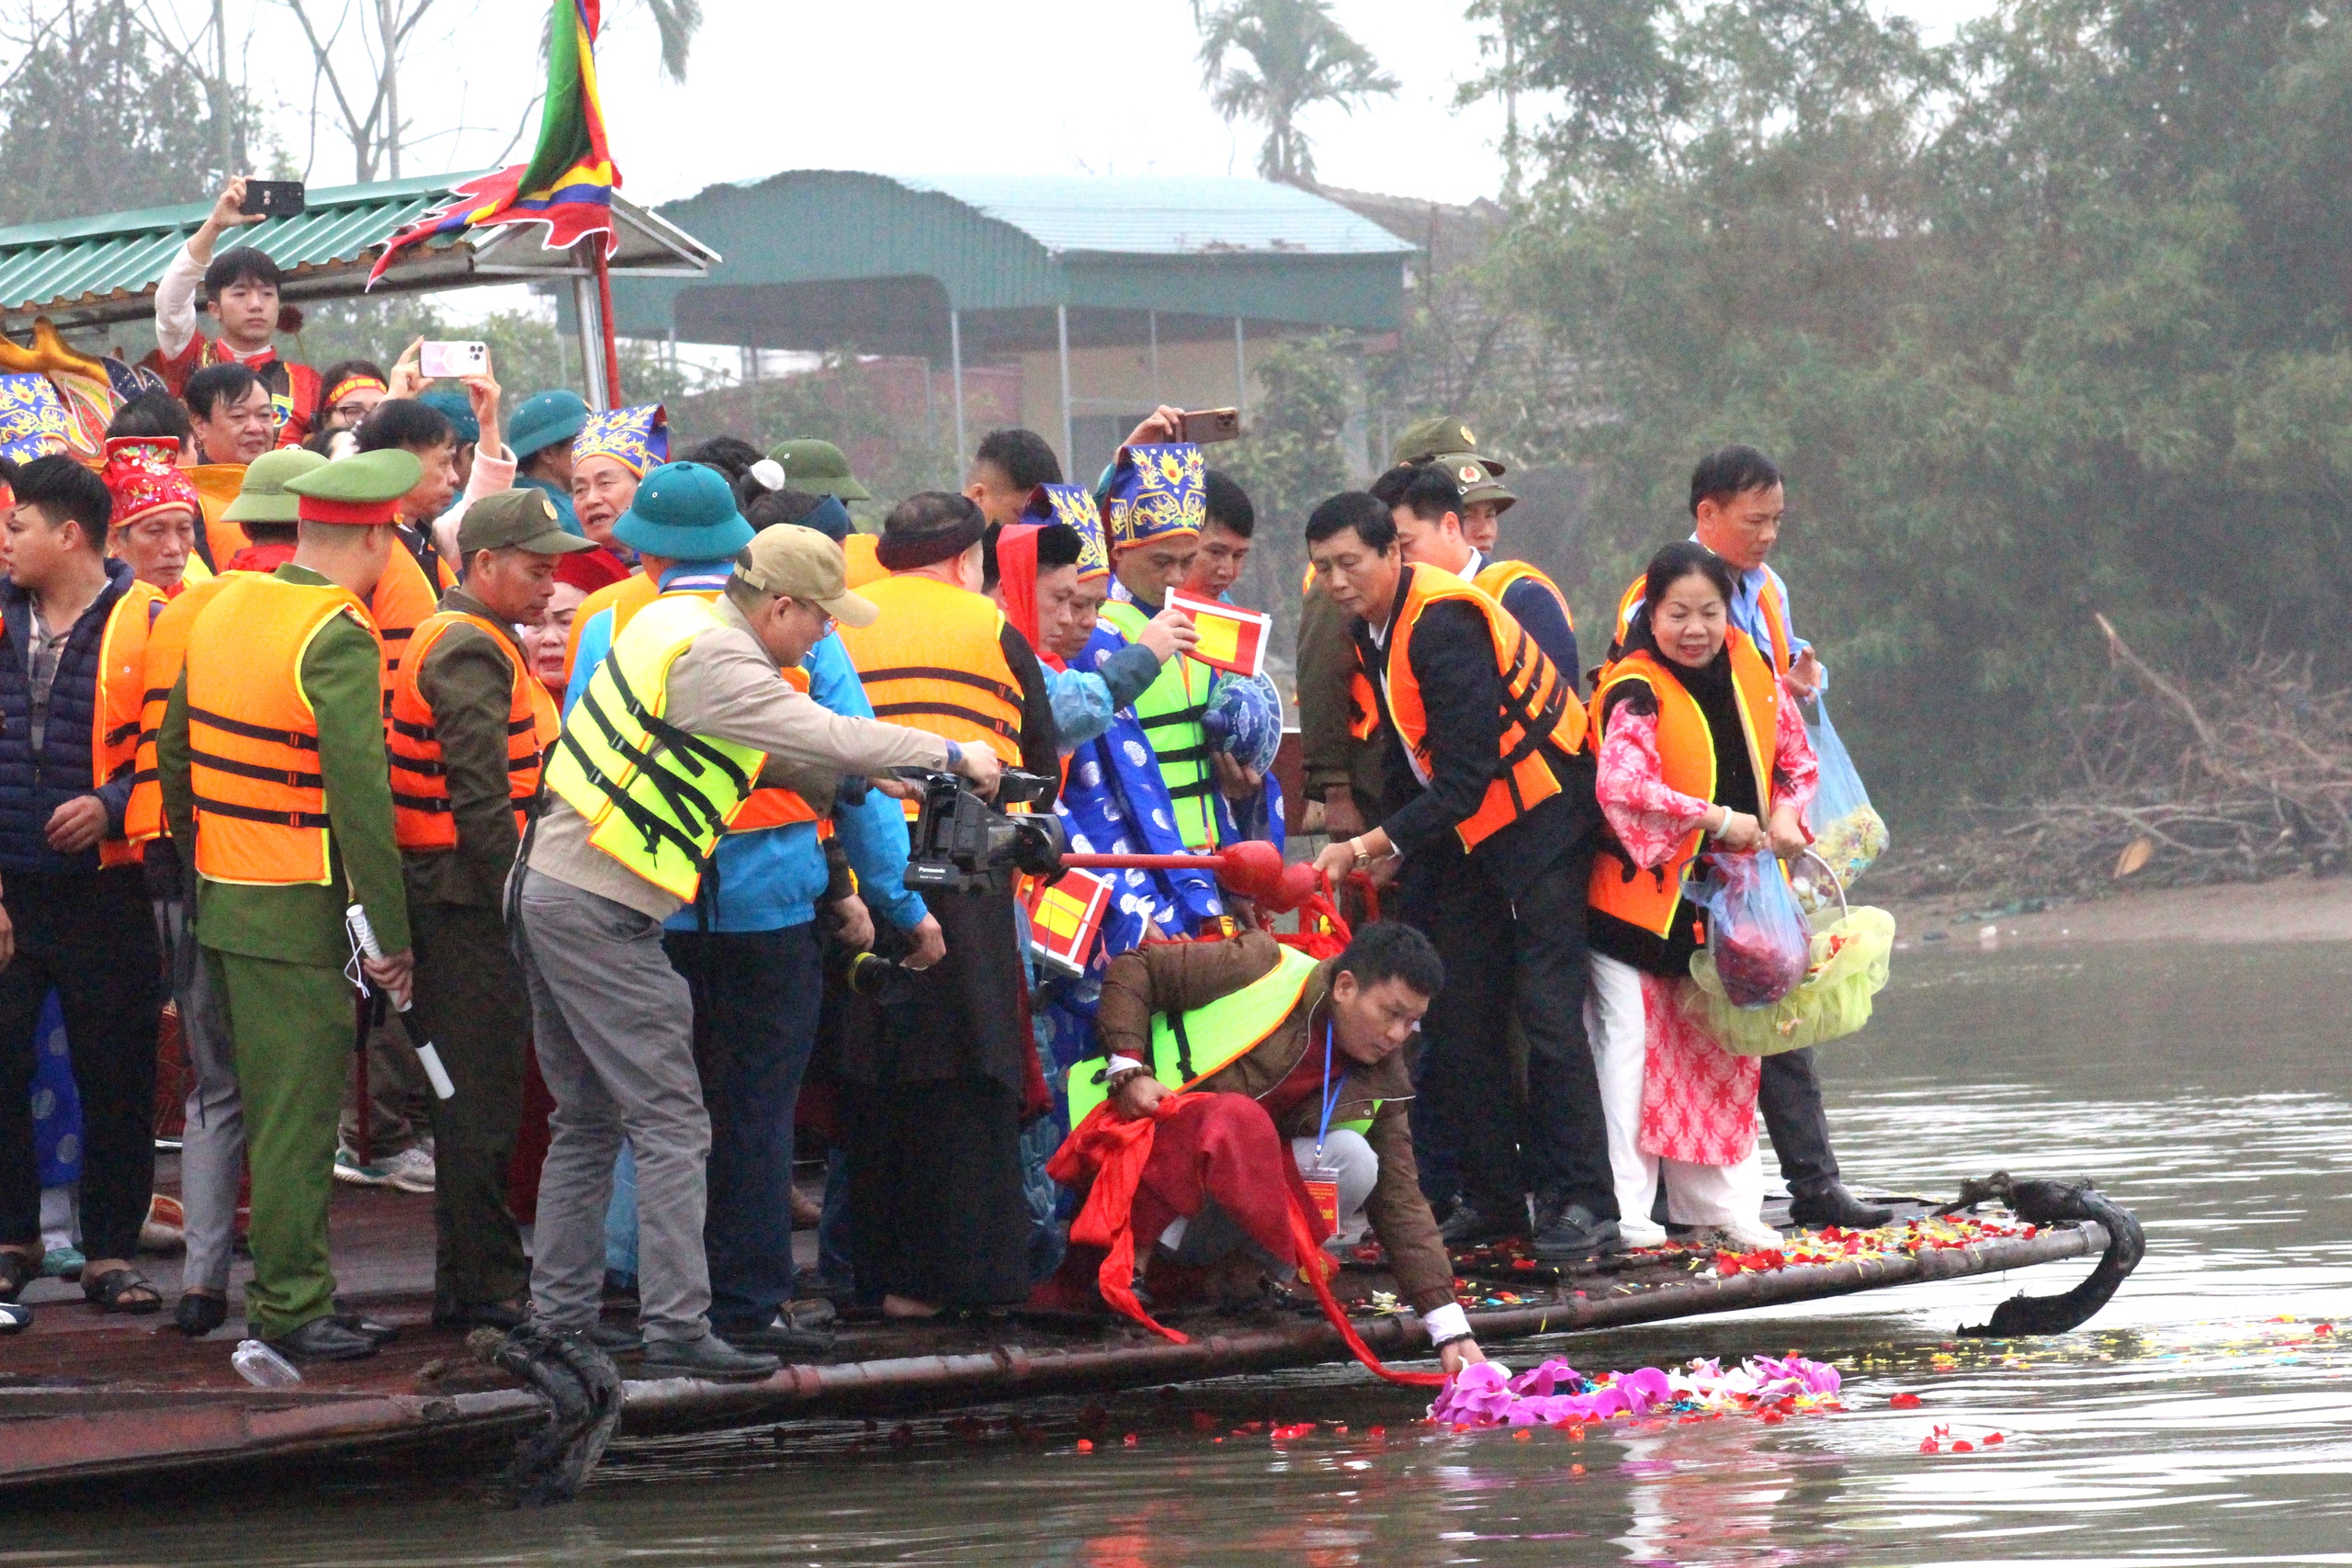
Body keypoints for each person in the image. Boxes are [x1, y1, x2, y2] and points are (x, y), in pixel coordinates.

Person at [522, 506, 993, 1378]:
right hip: (601, 910)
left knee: (587, 1119)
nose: (821, 643)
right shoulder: (727, 659)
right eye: (818, 620)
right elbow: (821, 731)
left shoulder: (675, 619)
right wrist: (949, 753)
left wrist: (864, 778)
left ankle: (553, 1320)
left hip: (550, 888)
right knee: (671, 1119)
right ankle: (676, 1327)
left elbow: (737, 750)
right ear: (777, 605)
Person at [1305, 492, 1622, 1262]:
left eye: (1351, 562)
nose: (1339, 579)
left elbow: (1469, 773)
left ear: (1392, 554)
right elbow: (1418, 759)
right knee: (1457, 1010)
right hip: (1469, 831)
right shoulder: (1370, 628)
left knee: (1548, 1011)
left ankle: (1584, 1201)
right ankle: (1492, 1198)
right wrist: (1399, 850)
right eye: (1323, 568)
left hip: (1543, 816)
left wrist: (1370, 842)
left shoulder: (1443, 620)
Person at [155, 446, 420, 1362]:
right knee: (296, 1120)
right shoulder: (335, 632)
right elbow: (362, 799)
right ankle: (292, 1304)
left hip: (224, 900)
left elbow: (174, 753)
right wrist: (389, 939)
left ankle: (286, 1291)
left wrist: (207, 857)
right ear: (378, 536)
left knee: (255, 1105)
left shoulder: (225, 602)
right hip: (299, 912)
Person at [1607, 446, 1886, 1233]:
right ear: (1707, 516)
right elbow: (1644, 735)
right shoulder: (1658, 594)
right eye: (1751, 520)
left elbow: (1771, 715)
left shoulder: (1766, 593)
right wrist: (1719, 819)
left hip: (1761, 845)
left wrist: (1794, 699)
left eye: (1775, 520)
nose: (1766, 535)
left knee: (1778, 998)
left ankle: (1810, 1178)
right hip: (1691, 864)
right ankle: (1680, 1198)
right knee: (1697, 1023)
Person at [1066, 923, 1488, 1371]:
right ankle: (1131, 1269)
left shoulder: (1382, 1071)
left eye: (1411, 1022)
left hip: (1210, 1213)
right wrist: (1129, 1068)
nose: (1397, 1035)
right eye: (1390, 1013)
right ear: (1345, 987)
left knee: (1360, 1160)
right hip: (1131, 1165)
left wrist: (1449, 1326)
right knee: (1239, 1119)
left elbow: (1402, 1199)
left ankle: (1243, 1277)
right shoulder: (1262, 965)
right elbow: (1136, 968)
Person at [832, 491, 1058, 1319]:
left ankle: (878, 1280)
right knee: (975, 1069)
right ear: (967, 562)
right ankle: (973, 1279)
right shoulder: (987, 626)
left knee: (877, 1076)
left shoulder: (841, 623)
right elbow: (1041, 763)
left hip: (860, 868)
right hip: (966, 864)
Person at [126, 447, 326, 1337]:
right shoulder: (319, 613)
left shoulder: (191, 609)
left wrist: (185, 842)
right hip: (282, 890)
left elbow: (168, 756)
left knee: (216, 1086)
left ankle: (203, 1285)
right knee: (289, 1091)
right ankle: (291, 1293)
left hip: (184, 872)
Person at [385, 489, 590, 1327]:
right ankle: (489, 1287)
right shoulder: (470, 650)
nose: (549, 589)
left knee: (471, 1097)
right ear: (485, 565)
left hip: (453, 898)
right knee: (478, 1102)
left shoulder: (461, 633)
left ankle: (467, 1280)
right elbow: (479, 804)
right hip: (467, 907)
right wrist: (522, 907)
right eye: (537, 571)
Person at [1587, 542, 1816, 1251]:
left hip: (1727, 911)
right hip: (1632, 910)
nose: (1694, 628)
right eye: (1677, 613)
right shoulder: (1635, 688)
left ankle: (1717, 1205)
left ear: (1728, 613)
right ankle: (1629, 1210)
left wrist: (1786, 815)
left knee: (1723, 1052)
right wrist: (1714, 817)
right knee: (1629, 1051)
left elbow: (1797, 762)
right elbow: (1620, 786)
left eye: (1709, 612)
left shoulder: (1753, 670)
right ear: (1650, 616)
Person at [0, 456, 165, 1314]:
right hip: (10, 891)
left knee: (118, 1072)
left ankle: (108, 1248)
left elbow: (174, 758)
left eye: (18, 524)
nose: (7, 539)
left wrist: (109, 807)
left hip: (109, 891)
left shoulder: (152, 622)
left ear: (68, 534)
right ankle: (12, 1237)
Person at [151, 178, 320, 446]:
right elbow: (170, 302)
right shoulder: (191, 357)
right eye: (240, 293)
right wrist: (214, 225)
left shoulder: (306, 381)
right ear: (214, 309)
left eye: (267, 294)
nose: (256, 304)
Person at [100, 437, 199, 596]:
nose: (173, 548)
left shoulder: (201, 594)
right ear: (115, 539)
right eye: (155, 531)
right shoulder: (89, 607)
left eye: (184, 529)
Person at [571, 404, 666, 564]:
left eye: (605, 483)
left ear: (644, 489)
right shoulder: (568, 577)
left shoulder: (673, 564)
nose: (591, 500)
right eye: (580, 490)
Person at [508, 389, 589, 539]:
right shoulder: (567, 515)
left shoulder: (508, 498)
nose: (593, 450)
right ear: (548, 453)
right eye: (585, 441)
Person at [963, 427, 1062, 528]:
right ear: (979, 495)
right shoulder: (947, 540)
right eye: (1021, 514)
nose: (1035, 527)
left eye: (1049, 519)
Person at [185, 363, 277, 467]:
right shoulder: (182, 482)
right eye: (238, 416)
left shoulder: (289, 480)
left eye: (264, 415)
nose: (255, 428)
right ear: (200, 425)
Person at [310, 362, 388, 442]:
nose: (367, 421)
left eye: (379, 410)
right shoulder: (301, 453)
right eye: (354, 410)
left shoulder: (398, 453)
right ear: (325, 420)